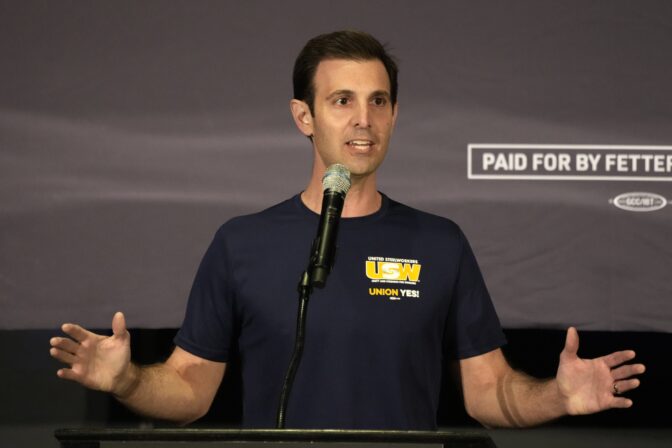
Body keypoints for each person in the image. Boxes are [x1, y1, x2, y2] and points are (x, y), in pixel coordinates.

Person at [50, 30, 645, 430]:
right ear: (303, 116)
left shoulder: (440, 243)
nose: (364, 118)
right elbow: (189, 388)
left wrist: (558, 397)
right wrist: (126, 379)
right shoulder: (241, 242)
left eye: (378, 101)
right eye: (341, 100)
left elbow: (490, 393)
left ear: (393, 115)